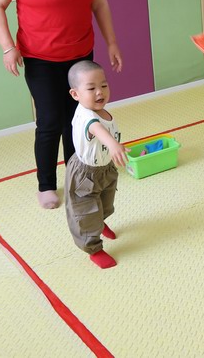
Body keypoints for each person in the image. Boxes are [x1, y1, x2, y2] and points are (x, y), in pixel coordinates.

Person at [0, 0, 123, 209]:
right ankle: (46, 184)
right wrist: (8, 48)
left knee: (79, 118)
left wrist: (112, 42)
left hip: (81, 56)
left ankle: (78, 175)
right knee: (50, 121)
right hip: (41, 58)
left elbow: (99, 3)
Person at [65, 60, 126, 269]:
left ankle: (100, 222)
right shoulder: (87, 116)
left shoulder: (101, 110)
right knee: (86, 212)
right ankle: (94, 249)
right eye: (91, 88)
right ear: (75, 94)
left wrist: (115, 148)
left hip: (105, 169)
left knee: (105, 203)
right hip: (85, 174)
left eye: (104, 85)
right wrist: (113, 145)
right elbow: (97, 129)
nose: (100, 92)